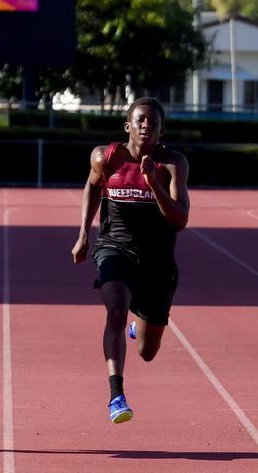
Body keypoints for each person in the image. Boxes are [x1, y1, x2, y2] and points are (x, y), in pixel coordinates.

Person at [71, 97, 189, 424]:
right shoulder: (106, 157)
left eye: (153, 122)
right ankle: (116, 395)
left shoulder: (172, 164)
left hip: (158, 260)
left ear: (161, 129)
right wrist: (83, 234)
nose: (146, 126)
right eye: (140, 120)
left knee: (148, 353)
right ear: (128, 126)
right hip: (115, 247)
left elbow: (180, 219)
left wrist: (154, 184)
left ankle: (141, 327)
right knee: (115, 311)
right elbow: (92, 188)